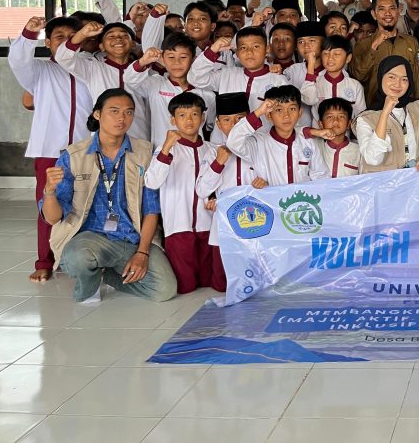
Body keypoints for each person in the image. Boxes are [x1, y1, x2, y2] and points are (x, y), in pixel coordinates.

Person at [39, 88, 176, 303]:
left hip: (132, 237)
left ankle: (109, 274)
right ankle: (90, 282)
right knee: (77, 258)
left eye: (128, 112)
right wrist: (49, 191)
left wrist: (142, 253)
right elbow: (53, 218)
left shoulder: (145, 152)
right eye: (114, 111)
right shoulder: (74, 156)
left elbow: (151, 209)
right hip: (90, 239)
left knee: (164, 289)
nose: (122, 118)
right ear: (97, 114)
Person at [9, 16, 92, 283]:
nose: (66, 42)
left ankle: (83, 258)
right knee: (48, 205)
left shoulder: (89, 68)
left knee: (86, 203)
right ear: (48, 43)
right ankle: (45, 261)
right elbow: (17, 60)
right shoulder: (39, 71)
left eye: (71, 37)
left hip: (86, 149)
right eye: (59, 37)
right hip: (49, 150)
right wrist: (28, 33)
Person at [144, 93, 216, 294]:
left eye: (195, 114)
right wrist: (167, 147)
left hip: (208, 224)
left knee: (209, 283)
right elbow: (152, 182)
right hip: (178, 226)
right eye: (182, 115)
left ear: (203, 117)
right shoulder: (166, 149)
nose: (189, 120)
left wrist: (215, 197)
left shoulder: (212, 150)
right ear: (173, 120)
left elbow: (219, 183)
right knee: (185, 287)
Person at [195, 93, 264, 291]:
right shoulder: (212, 151)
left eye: (240, 119)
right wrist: (219, 162)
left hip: (256, 222)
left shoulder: (260, 146)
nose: (234, 125)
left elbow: (274, 178)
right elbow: (202, 189)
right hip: (224, 224)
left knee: (258, 280)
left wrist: (265, 185)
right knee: (222, 284)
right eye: (227, 120)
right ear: (217, 123)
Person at [125, 32, 216, 149]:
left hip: (195, 153)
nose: (176, 62)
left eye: (183, 57)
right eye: (171, 57)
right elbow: (129, 80)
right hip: (161, 152)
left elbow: (210, 126)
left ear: (193, 59)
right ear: (162, 59)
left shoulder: (206, 93)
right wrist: (143, 61)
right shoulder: (155, 84)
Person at [227, 85, 329, 185]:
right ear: (268, 115)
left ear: (300, 113)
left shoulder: (308, 142)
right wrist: (259, 112)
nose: (286, 115)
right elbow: (233, 142)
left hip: (302, 197)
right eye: (279, 110)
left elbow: (321, 177)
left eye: (292, 109)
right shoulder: (258, 143)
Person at [355, 56, 419, 173]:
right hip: (384, 183)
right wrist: (385, 113)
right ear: (380, 77)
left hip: (418, 180)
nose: (398, 84)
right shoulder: (365, 118)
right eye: (392, 77)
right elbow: (373, 159)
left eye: (404, 79)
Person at [189, 26, 288, 122]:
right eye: (243, 47)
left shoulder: (279, 81)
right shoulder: (226, 75)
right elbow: (195, 78)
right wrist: (212, 50)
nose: (249, 52)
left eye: (256, 46)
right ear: (237, 53)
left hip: (264, 133)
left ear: (267, 49)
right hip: (227, 133)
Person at [351, 0, 419, 103]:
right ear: (374, 14)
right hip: (375, 108)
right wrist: (373, 47)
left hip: (405, 108)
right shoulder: (363, 44)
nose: (388, 13)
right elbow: (358, 76)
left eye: (392, 8)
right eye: (382, 9)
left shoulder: (411, 42)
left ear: (398, 11)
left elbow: (418, 79)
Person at [302, 35, 366, 122]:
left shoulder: (355, 86)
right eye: (326, 54)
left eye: (337, 54)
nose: (330, 58)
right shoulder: (314, 82)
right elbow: (309, 100)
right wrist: (310, 67)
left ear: (348, 58)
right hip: (319, 130)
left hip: (346, 131)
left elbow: (361, 117)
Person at [143, 0, 217, 57]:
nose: (195, 23)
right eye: (191, 19)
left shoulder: (221, 52)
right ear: (185, 26)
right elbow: (149, 50)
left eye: (202, 19)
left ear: (212, 26)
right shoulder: (170, 49)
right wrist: (154, 18)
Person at [313, 98, 361, 177]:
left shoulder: (359, 152)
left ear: (349, 123)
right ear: (321, 124)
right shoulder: (315, 148)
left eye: (341, 116)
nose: (335, 121)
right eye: (330, 117)